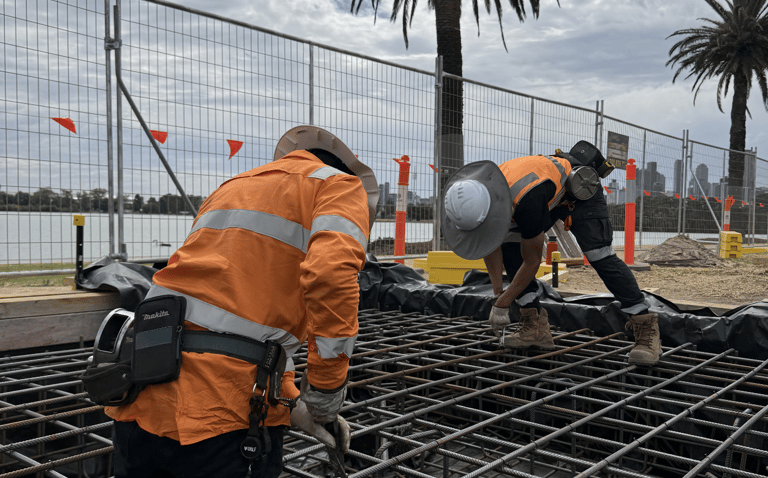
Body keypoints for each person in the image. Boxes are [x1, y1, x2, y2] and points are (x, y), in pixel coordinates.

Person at [105, 126, 379, 478]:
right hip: (222, 422)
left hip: (140, 398)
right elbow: (330, 276)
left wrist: (292, 402)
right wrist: (326, 390)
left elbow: (243, 319)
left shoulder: (233, 187)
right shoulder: (341, 186)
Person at [441, 141, 661, 366]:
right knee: (510, 248)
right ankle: (534, 327)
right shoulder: (483, 194)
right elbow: (490, 245)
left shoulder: (526, 201)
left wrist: (503, 303)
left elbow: (532, 261)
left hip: (578, 188)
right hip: (546, 191)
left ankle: (645, 326)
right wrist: (498, 293)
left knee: (599, 254)